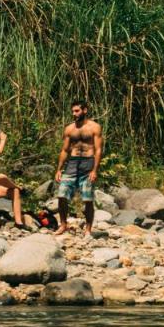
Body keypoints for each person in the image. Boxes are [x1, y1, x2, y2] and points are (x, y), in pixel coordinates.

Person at [53, 100, 103, 236]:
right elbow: (64, 150)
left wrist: (94, 170)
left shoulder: (94, 127)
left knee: (87, 199)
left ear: (85, 110)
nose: (74, 114)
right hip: (72, 163)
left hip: (88, 163)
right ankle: (63, 225)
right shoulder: (69, 129)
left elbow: (98, 150)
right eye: (73, 111)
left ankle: (88, 230)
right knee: (62, 194)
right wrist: (58, 169)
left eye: (77, 111)